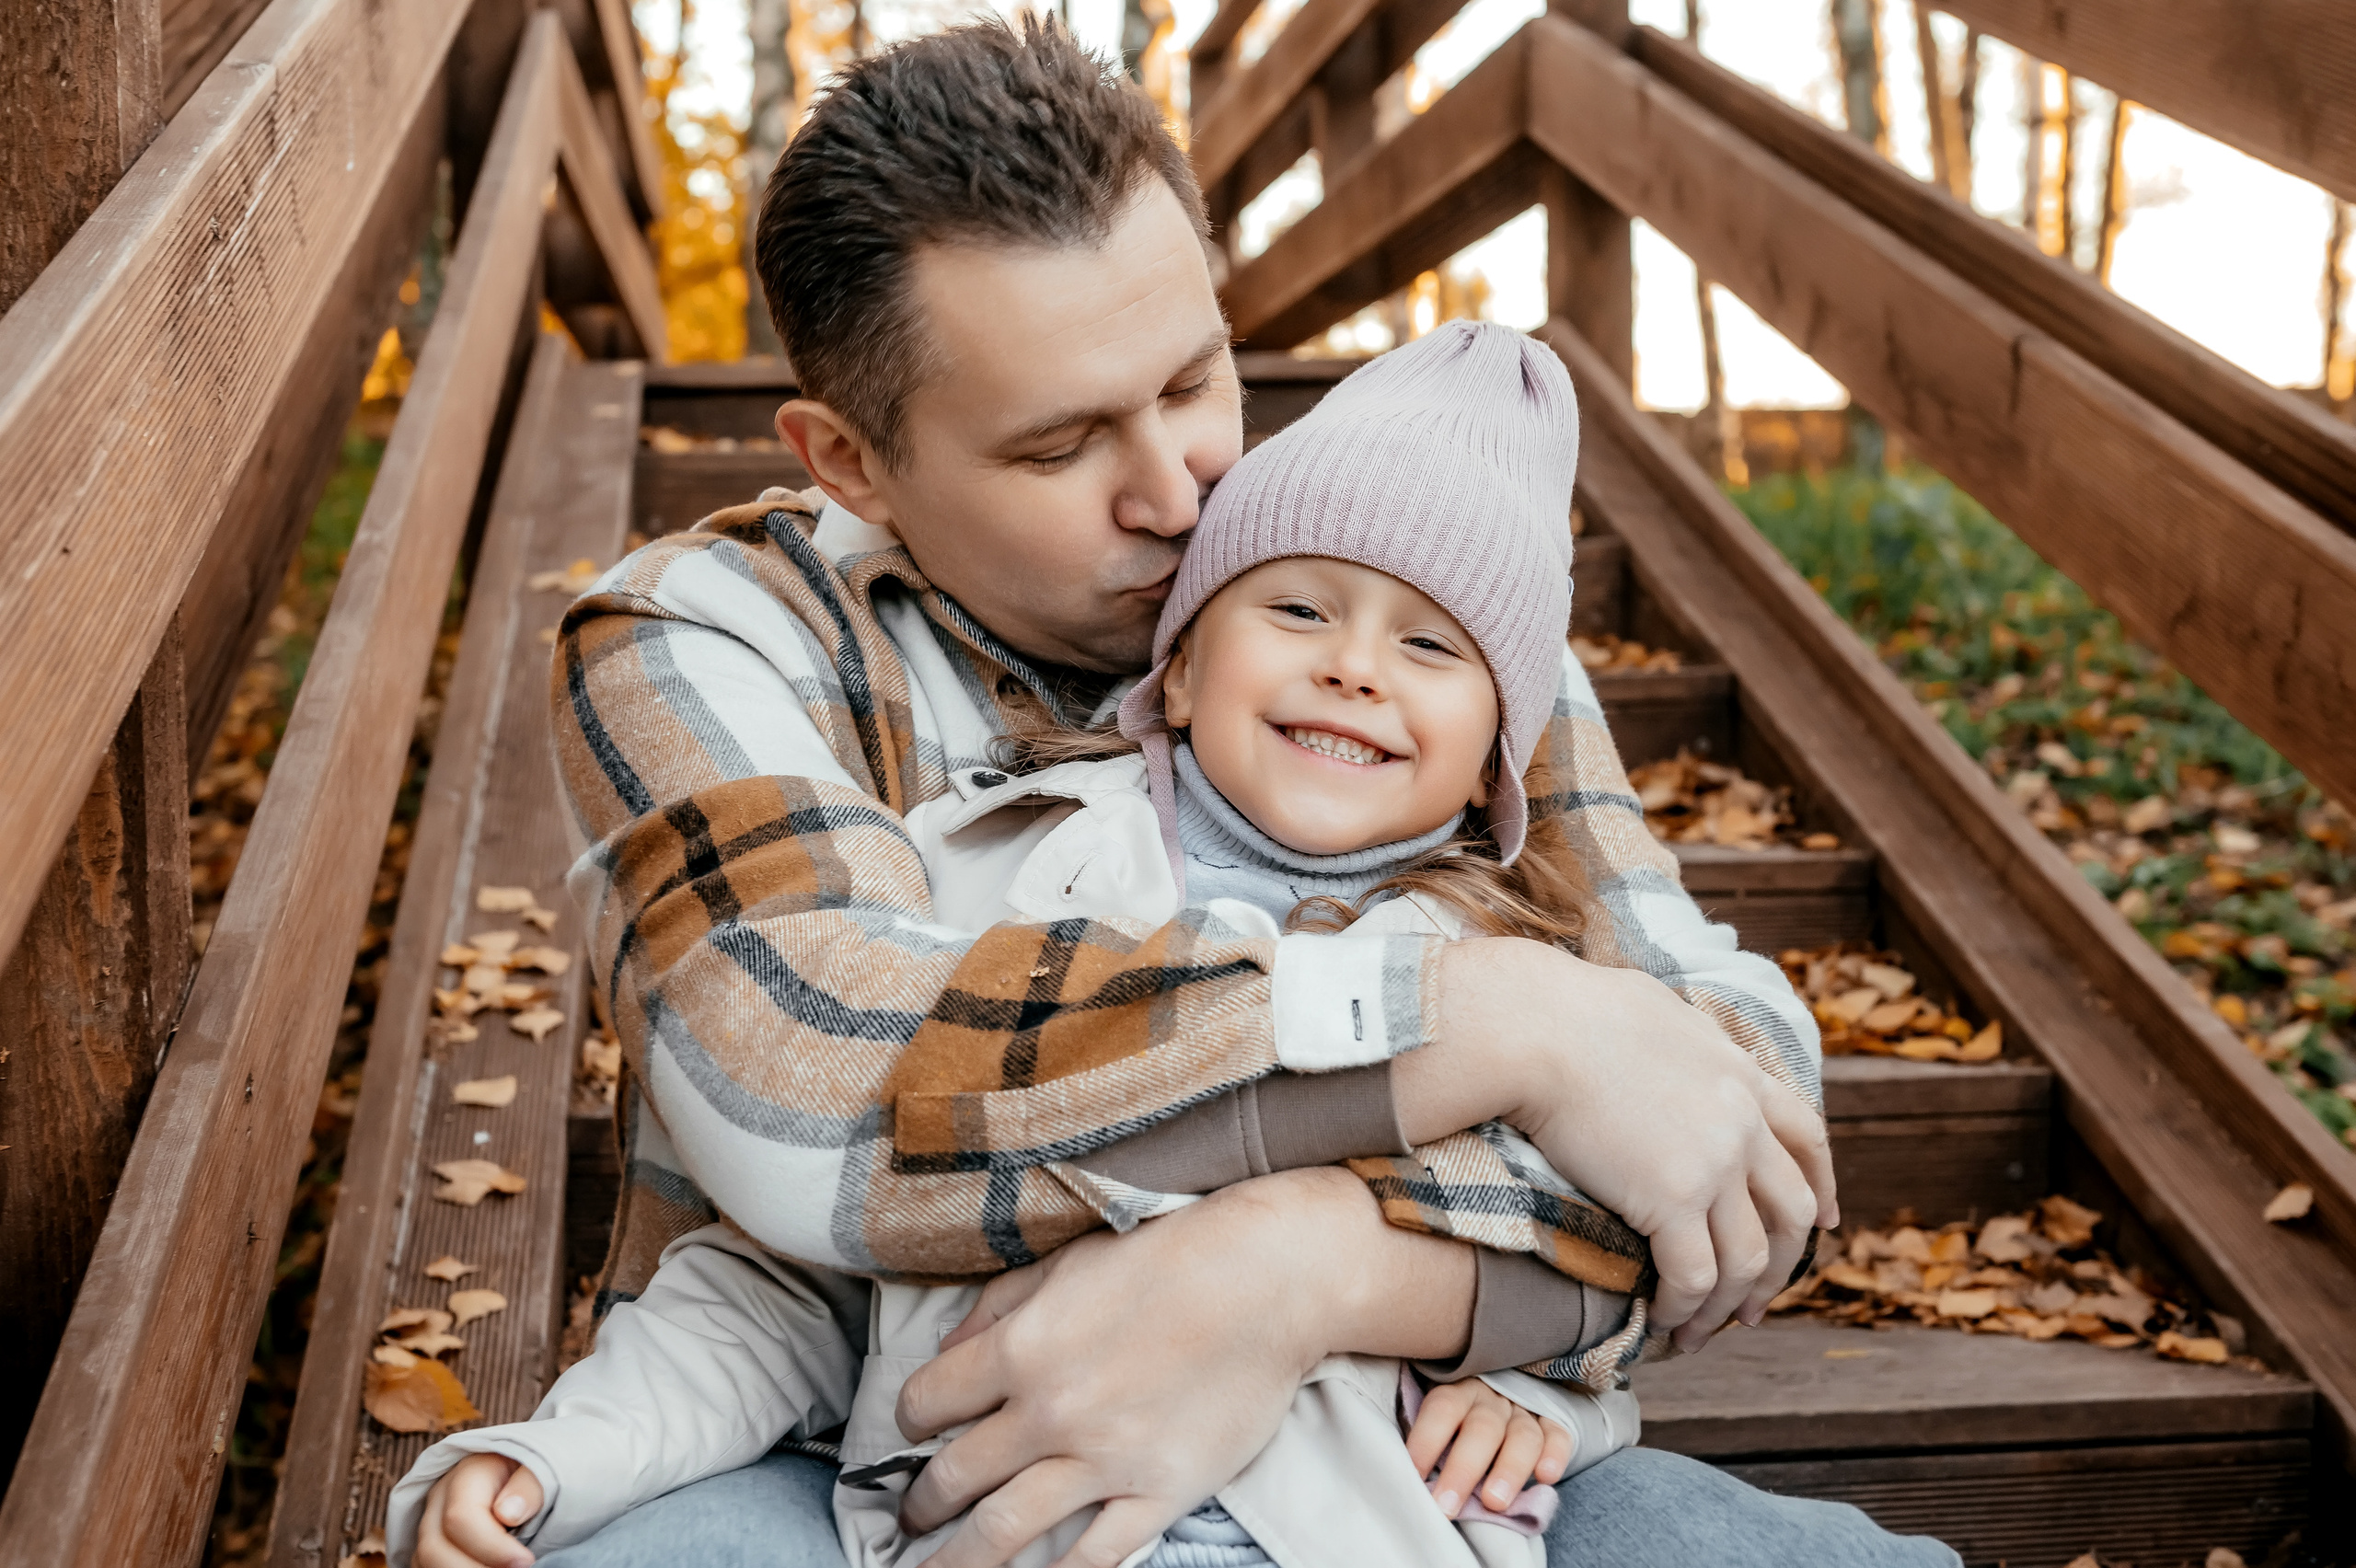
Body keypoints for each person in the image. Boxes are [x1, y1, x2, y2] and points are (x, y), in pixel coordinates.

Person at [401, 17, 1952, 1568]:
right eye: (1063, 443)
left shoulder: (1408, 613)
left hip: (1396, 1458)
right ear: (853, 463)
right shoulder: (709, 639)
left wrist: (1307, 1274)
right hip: (864, 1445)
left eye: (1194, 376)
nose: (1182, 490)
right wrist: (1504, 1029)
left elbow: (1741, 1133)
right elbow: (820, 1099)